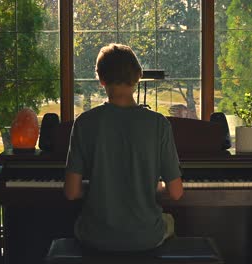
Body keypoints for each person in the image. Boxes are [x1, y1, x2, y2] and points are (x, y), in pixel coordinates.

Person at [64, 43, 184, 251]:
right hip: (146, 237)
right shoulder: (159, 124)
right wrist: (151, 186)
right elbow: (176, 192)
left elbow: (72, 192)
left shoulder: (84, 123)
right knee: (169, 221)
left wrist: (102, 187)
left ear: (101, 80)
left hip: (95, 236)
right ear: (138, 76)